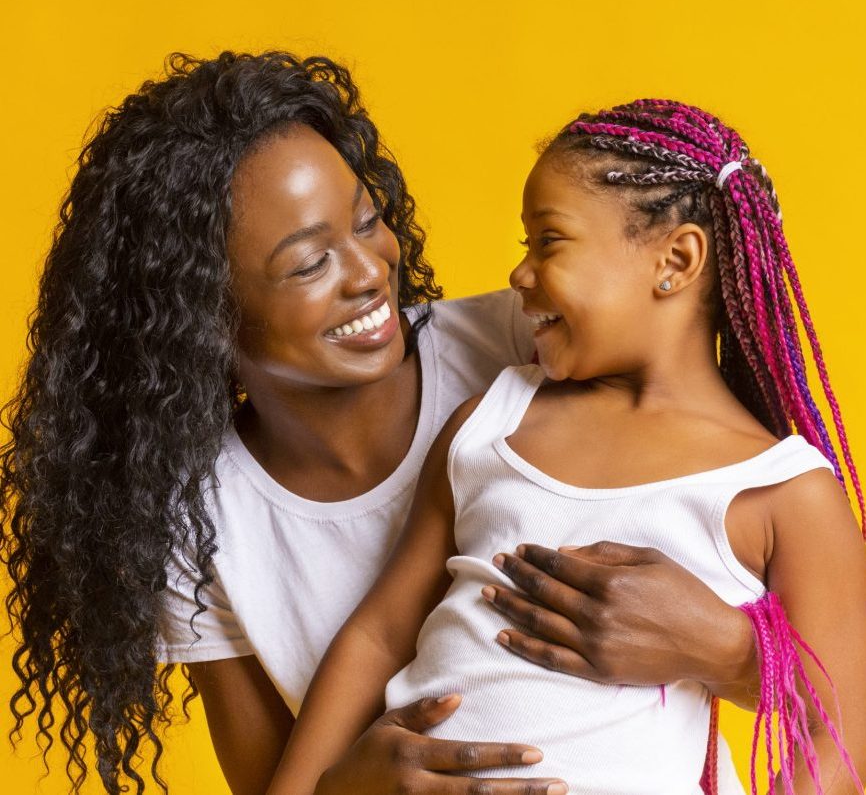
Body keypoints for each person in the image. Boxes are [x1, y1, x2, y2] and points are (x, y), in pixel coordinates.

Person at [1, 58, 758, 795]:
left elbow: (749, 503)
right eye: (309, 264)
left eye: (368, 221)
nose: (368, 271)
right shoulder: (197, 525)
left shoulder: (531, 349)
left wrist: (728, 652)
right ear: (200, 316)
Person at [271, 100, 866, 795]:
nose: (520, 273)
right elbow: (377, 636)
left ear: (676, 260)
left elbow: (837, 739)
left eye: (548, 242)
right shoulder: (491, 423)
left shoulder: (784, 490)